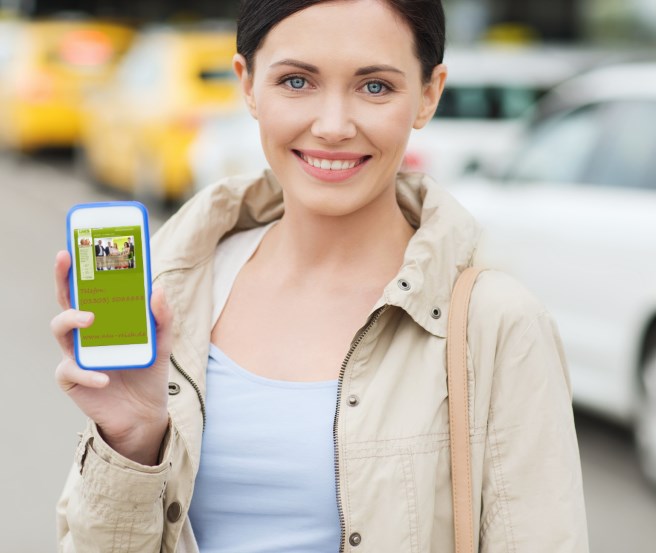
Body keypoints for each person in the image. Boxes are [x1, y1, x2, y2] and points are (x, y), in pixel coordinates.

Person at [51, 1, 589, 552]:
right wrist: (133, 441)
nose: (333, 126)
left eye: (375, 87)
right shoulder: (175, 290)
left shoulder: (496, 324)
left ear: (428, 94)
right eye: (296, 80)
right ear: (248, 84)